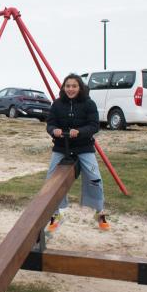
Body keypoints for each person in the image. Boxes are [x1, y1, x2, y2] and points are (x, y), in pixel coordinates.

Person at [45, 73, 109, 232]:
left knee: (95, 178)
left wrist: (79, 132)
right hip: (61, 146)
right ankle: (56, 213)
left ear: (80, 87)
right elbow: (50, 124)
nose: (71, 89)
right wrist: (55, 130)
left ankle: (99, 211)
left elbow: (94, 126)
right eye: (68, 86)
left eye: (74, 86)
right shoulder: (57, 104)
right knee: (51, 179)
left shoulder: (89, 104)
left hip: (83, 147)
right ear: (63, 88)